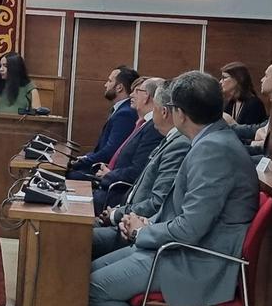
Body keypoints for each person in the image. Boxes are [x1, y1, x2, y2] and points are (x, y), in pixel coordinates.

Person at [89, 70, 259, 306]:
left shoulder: (213, 150)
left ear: (180, 113)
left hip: (199, 258)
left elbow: (190, 228)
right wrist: (147, 223)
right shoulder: (212, 141)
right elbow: (187, 215)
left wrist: (141, 231)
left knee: (94, 286)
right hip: (184, 247)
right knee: (91, 271)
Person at [92, 81, 191, 260]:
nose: (152, 115)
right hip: (127, 218)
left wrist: (119, 215)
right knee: (75, 229)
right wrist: (119, 212)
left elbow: (157, 202)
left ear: (164, 111)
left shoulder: (179, 145)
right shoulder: (168, 139)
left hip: (137, 229)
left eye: (155, 109)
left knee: (75, 237)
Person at [90, 78, 165, 212]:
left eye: (137, 91)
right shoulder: (143, 124)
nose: (131, 95)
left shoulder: (153, 129)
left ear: (147, 95)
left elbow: (137, 170)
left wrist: (109, 174)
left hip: (118, 194)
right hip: (110, 186)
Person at [67, 65, 139, 176]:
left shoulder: (125, 114)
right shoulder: (121, 109)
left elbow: (110, 151)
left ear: (119, 87)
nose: (105, 85)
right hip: (100, 166)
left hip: (104, 171)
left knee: (68, 175)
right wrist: (86, 157)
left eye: (109, 81)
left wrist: (81, 162)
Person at [227, 62, 272, 158]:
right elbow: (258, 133)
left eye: (266, 76)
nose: (261, 80)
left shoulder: (254, 104)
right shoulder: (230, 102)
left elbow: (258, 134)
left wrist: (231, 125)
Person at [220, 61, 268, 126]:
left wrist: (231, 122)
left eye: (224, 78)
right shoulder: (230, 102)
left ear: (238, 79)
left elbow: (251, 133)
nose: (220, 81)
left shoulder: (254, 104)